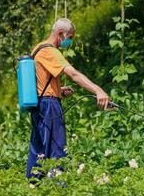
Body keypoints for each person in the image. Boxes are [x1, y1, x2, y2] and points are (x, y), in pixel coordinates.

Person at [26, 18, 109, 180]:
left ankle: (32, 185)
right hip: (49, 106)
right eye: (69, 37)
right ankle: (58, 186)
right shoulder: (50, 51)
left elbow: (39, 79)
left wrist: (59, 89)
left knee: (38, 148)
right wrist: (98, 90)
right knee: (57, 147)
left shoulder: (37, 48)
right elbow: (74, 74)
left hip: (38, 105)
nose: (69, 41)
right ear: (59, 34)